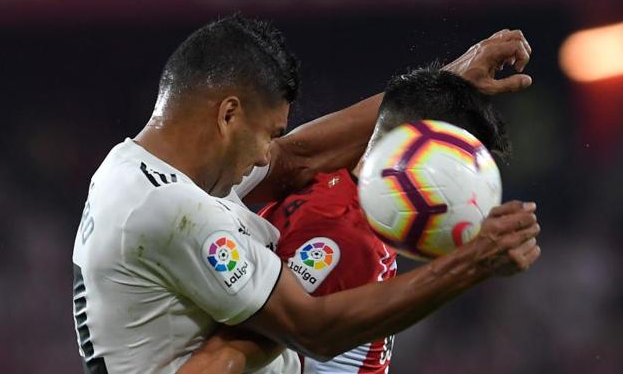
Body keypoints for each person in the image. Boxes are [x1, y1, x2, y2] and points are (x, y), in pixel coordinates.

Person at [72, 13, 537, 374]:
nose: (262, 158)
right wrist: (472, 263)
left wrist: (448, 82)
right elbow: (312, 329)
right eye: (266, 133)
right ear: (228, 115)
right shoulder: (170, 209)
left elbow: (296, 159)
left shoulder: (142, 167)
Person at [178, 66, 528, 374]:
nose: (472, 204)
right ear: (427, 157)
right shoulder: (343, 237)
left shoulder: (332, 193)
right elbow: (234, 349)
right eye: (463, 175)